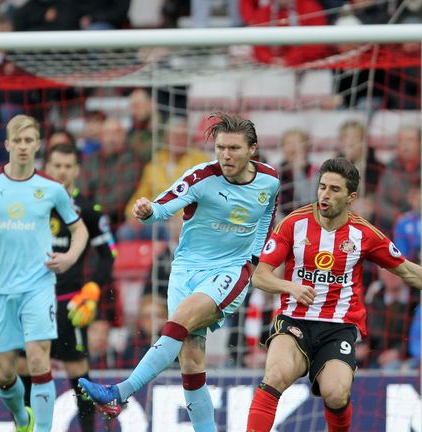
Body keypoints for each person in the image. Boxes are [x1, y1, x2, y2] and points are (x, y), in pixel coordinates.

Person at [245, 157, 422, 432]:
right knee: (275, 375)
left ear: (351, 196)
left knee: (336, 392)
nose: (325, 195)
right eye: (322, 187)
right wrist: (291, 287)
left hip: (339, 328)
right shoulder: (294, 224)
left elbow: (408, 271)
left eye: (334, 189)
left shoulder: (364, 233)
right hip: (295, 320)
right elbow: (260, 276)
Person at [79, 112, 280, 431]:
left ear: (252, 150)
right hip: (185, 268)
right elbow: (162, 207)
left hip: (230, 269)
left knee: (179, 322)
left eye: (234, 149)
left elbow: (267, 215)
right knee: (190, 357)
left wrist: (253, 258)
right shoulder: (201, 177)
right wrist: (147, 211)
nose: (226, 155)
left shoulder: (269, 181)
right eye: (220, 148)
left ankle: (119, 393)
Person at [0, 114, 89, 432]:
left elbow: (80, 230)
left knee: (37, 360)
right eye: (17, 140)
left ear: (38, 145)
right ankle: (22, 417)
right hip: (1, 291)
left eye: (29, 140)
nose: (22, 146)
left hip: (39, 287)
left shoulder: (52, 188)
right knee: (3, 373)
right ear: (7, 144)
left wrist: (70, 257)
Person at [17, 141, 116, 432]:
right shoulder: (27, 205)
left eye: (68, 166)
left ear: (77, 169)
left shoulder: (89, 209)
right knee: (24, 367)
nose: (62, 171)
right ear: (46, 167)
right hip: (31, 300)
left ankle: (88, 429)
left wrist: (93, 289)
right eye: (57, 165)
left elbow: (109, 254)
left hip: (69, 302)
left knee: (78, 373)